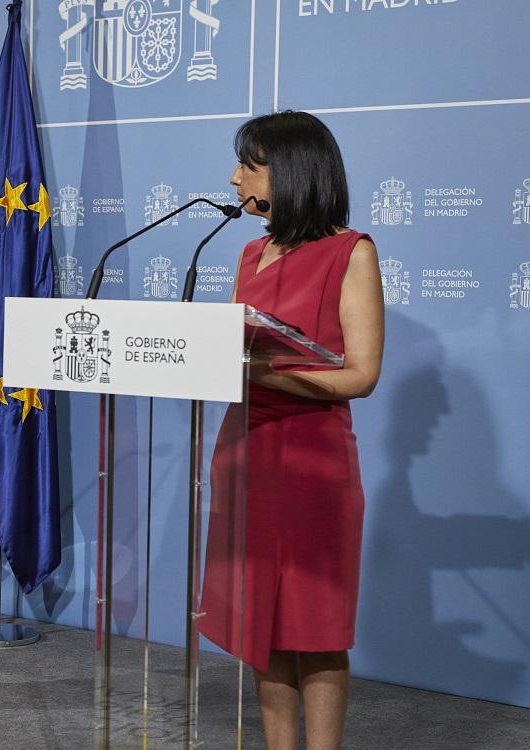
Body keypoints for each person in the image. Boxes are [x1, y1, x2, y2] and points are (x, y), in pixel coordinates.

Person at [199, 110, 385, 750]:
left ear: (291, 170)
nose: (234, 178)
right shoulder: (252, 251)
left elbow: (361, 375)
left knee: (316, 625)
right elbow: (228, 348)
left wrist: (273, 375)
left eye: (247, 165)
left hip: (311, 462)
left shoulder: (349, 251)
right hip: (244, 453)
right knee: (262, 623)